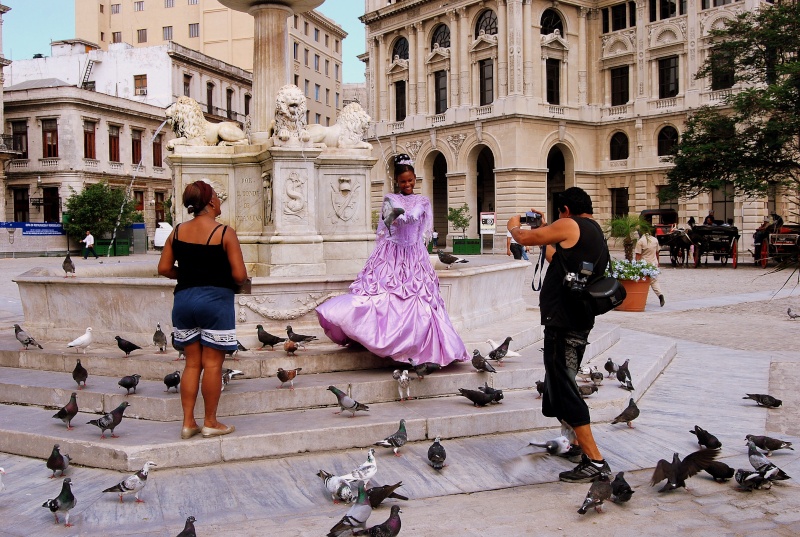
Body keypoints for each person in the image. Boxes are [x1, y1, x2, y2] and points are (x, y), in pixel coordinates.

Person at [316, 154, 469, 367]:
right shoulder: (390, 198)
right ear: (397, 181)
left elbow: (426, 231)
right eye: (403, 181)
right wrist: (395, 220)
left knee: (420, 300)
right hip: (392, 254)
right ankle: (379, 340)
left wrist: (421, 247)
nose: (407, 184)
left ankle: (420, 348)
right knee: (383, 295)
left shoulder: (423, 201)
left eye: (410, 180)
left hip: (415, 255)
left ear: (415, 178)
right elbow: (385, 228)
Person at [507, 187, 611, 483]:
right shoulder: (593, 231)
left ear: (565, 210)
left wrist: (514, 225)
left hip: (564, 321)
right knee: (562, 380)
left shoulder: (571, 223)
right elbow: (558, 260)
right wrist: (544, 231)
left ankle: (596, 460)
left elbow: (523, 238)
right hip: (578, 318)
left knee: (564, 386)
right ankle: (577, 445)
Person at [157, 180, 248, 440]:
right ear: (210, 202)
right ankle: (210, 422)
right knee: (212, 365)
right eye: (217, 198)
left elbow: (163, 269)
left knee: (191, 364)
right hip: (215, 302)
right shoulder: (224, 232)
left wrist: (187, 274)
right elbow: (240, 275)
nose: (219, 202)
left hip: (184, 301)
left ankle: (188, 424)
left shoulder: (176, 232)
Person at [635, 230, 665, 307]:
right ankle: (660, 295)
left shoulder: (640, 241)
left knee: (643, 283)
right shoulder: (655, 240)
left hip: (645, 265)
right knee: (654, 281)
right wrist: (657, 263)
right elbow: (657, 253)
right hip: (654, 263)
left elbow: (638, 255)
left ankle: (642, 299)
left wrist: (637, 266)